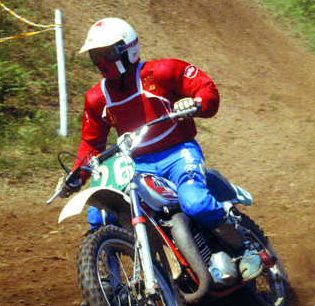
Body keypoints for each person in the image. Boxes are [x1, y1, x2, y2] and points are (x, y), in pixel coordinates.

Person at [60, 18, 262, 280]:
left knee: (195, 202)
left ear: (127, 48)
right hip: (134, 165)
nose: (102, 62)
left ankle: (244, 250)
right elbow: (91, 143)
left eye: (107, 53)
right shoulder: (96, 98)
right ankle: (108, 283)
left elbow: (205, 88)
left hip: (178, 153)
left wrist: (196, 103)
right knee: (100, 214)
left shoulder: (163, 71)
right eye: (95, 56)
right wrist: (77, 175)